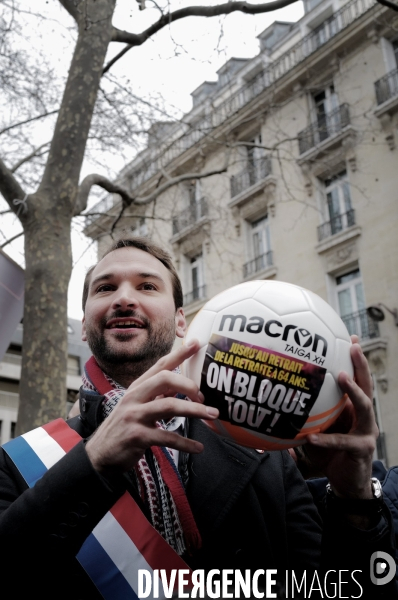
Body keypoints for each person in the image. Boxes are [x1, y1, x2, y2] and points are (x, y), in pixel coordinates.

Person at [0, 237, 395, 599]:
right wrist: (93, 461)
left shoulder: (267, 456)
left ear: (180, 321)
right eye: (105, 288)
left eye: (147, 286)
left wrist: (353, 496)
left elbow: (341, 590)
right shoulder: (21, 461)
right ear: (84, 326)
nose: (124, 299)